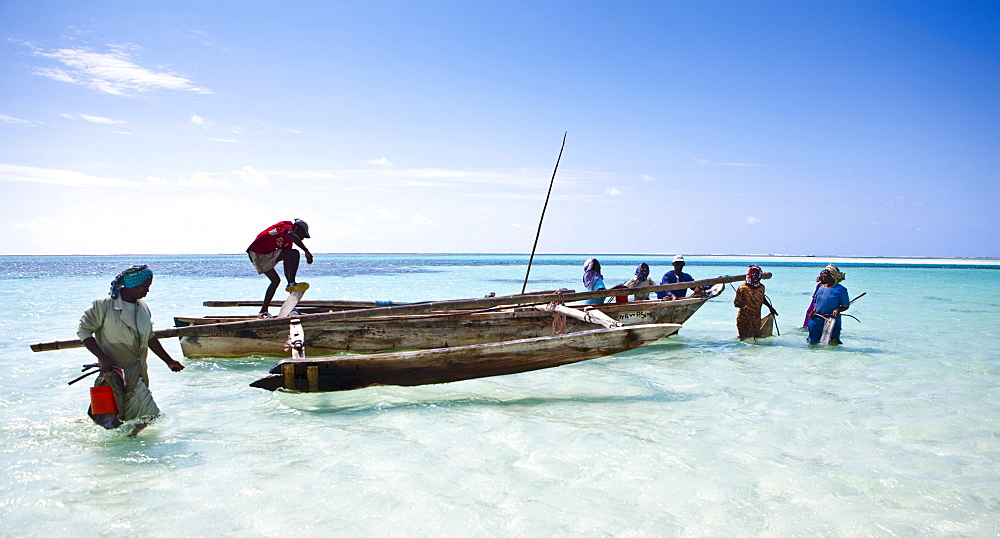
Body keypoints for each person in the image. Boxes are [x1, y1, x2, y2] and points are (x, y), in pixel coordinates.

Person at [77, 265, 184, 434]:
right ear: (131, 284)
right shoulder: (104, 305)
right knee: (152, 415)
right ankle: (131, 440)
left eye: (148, 287)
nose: (147, 291)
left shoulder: (143, 308)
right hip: (115, 371)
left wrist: (169, 361)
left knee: (127, 417)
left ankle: (125, 444)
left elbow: (150, 338)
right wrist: (103, 358)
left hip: (138, 370)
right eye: (144, 286)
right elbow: (84, 331)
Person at [247, 219, 314, 317]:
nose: (302, 238)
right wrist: (306, 251)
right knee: (277, 279)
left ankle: (263, 311)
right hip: (257, 253)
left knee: (277, 279)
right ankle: (263, 311)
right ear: (298, 229)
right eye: (303, 235)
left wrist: (290, 284)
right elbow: (290, 234)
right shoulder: (286, 226)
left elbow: (287, 264)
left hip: (267, 253)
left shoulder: (288, 242)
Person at [806, 267, 851, 345]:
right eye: (822, 274)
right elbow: (816, 303)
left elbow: (845, 305)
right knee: (812, 341)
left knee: (833, 342)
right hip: (816, 318)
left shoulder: (841, 289)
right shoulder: (820, 288)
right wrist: (813, 311)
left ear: (832, 276)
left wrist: (838, 310)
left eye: (825, 274)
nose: (822, 276)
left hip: (832, 319)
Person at [733, 264, 777, 339]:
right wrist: (744, 307)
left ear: (760, 275)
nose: (754, 275)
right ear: (749, 274)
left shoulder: (761, 287)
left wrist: (770, 308)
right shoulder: (742, 288)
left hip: (756, 318)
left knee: (755, 338)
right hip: (744, 319)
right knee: (744, 338)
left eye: (756, 273)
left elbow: (762, 298)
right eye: (752, 273)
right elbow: (736, 303)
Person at [801, 264, 846, 329]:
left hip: (820, 302)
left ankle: (808, 327)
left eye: (826, 272)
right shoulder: (822, 285)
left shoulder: (835, 287)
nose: (823, 273)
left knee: (814, 313)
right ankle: (807, 326)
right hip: (817, 300)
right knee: (810, 312)